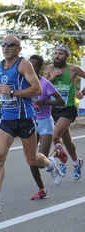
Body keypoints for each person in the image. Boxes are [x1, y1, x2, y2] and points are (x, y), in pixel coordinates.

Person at [0, 35, 64, 215]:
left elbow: (37, 90)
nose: (6, 47)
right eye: (3, 45)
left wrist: (13, 92)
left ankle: (51, 164)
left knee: (32, 160)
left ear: (19, 48)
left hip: (25, 118)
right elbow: (4, 88)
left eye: (10, 45)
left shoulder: (24, 64)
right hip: (6, 119)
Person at [43, 44, 85, 180]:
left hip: (68, 108)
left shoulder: (73, 69)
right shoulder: (50, 68)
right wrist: (52, 77)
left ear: (67, 56)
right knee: (66, 140)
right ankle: (77, 162)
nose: (57, 56)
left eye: (61, 54)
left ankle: (62, 161)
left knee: (55, 136)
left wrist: (83, 92)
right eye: (56, 53)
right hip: (54, 108)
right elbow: (40, 85)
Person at [28, 55, 65, 200]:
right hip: (31, 123)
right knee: (31, 159)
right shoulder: (25, 83)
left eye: (34, 66)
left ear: (39, 67)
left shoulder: (45, 84)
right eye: (29, 65)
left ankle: (54, 158)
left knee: (41, 162)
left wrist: (44, 102)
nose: (31, 68)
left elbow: (60, 100)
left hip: (45, 123)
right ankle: (41, 189)